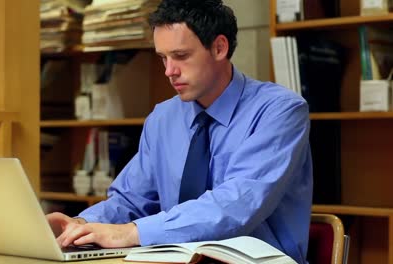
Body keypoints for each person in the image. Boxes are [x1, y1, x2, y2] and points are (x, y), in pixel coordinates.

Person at [47, 0, 313, 263]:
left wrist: (131, 232)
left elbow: (236, 205)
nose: (169, 71)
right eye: (163, 58)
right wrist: (81, 225)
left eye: (181, 56)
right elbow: (131, 200)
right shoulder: (163, 118)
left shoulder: (280, 111)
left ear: (219, 48)